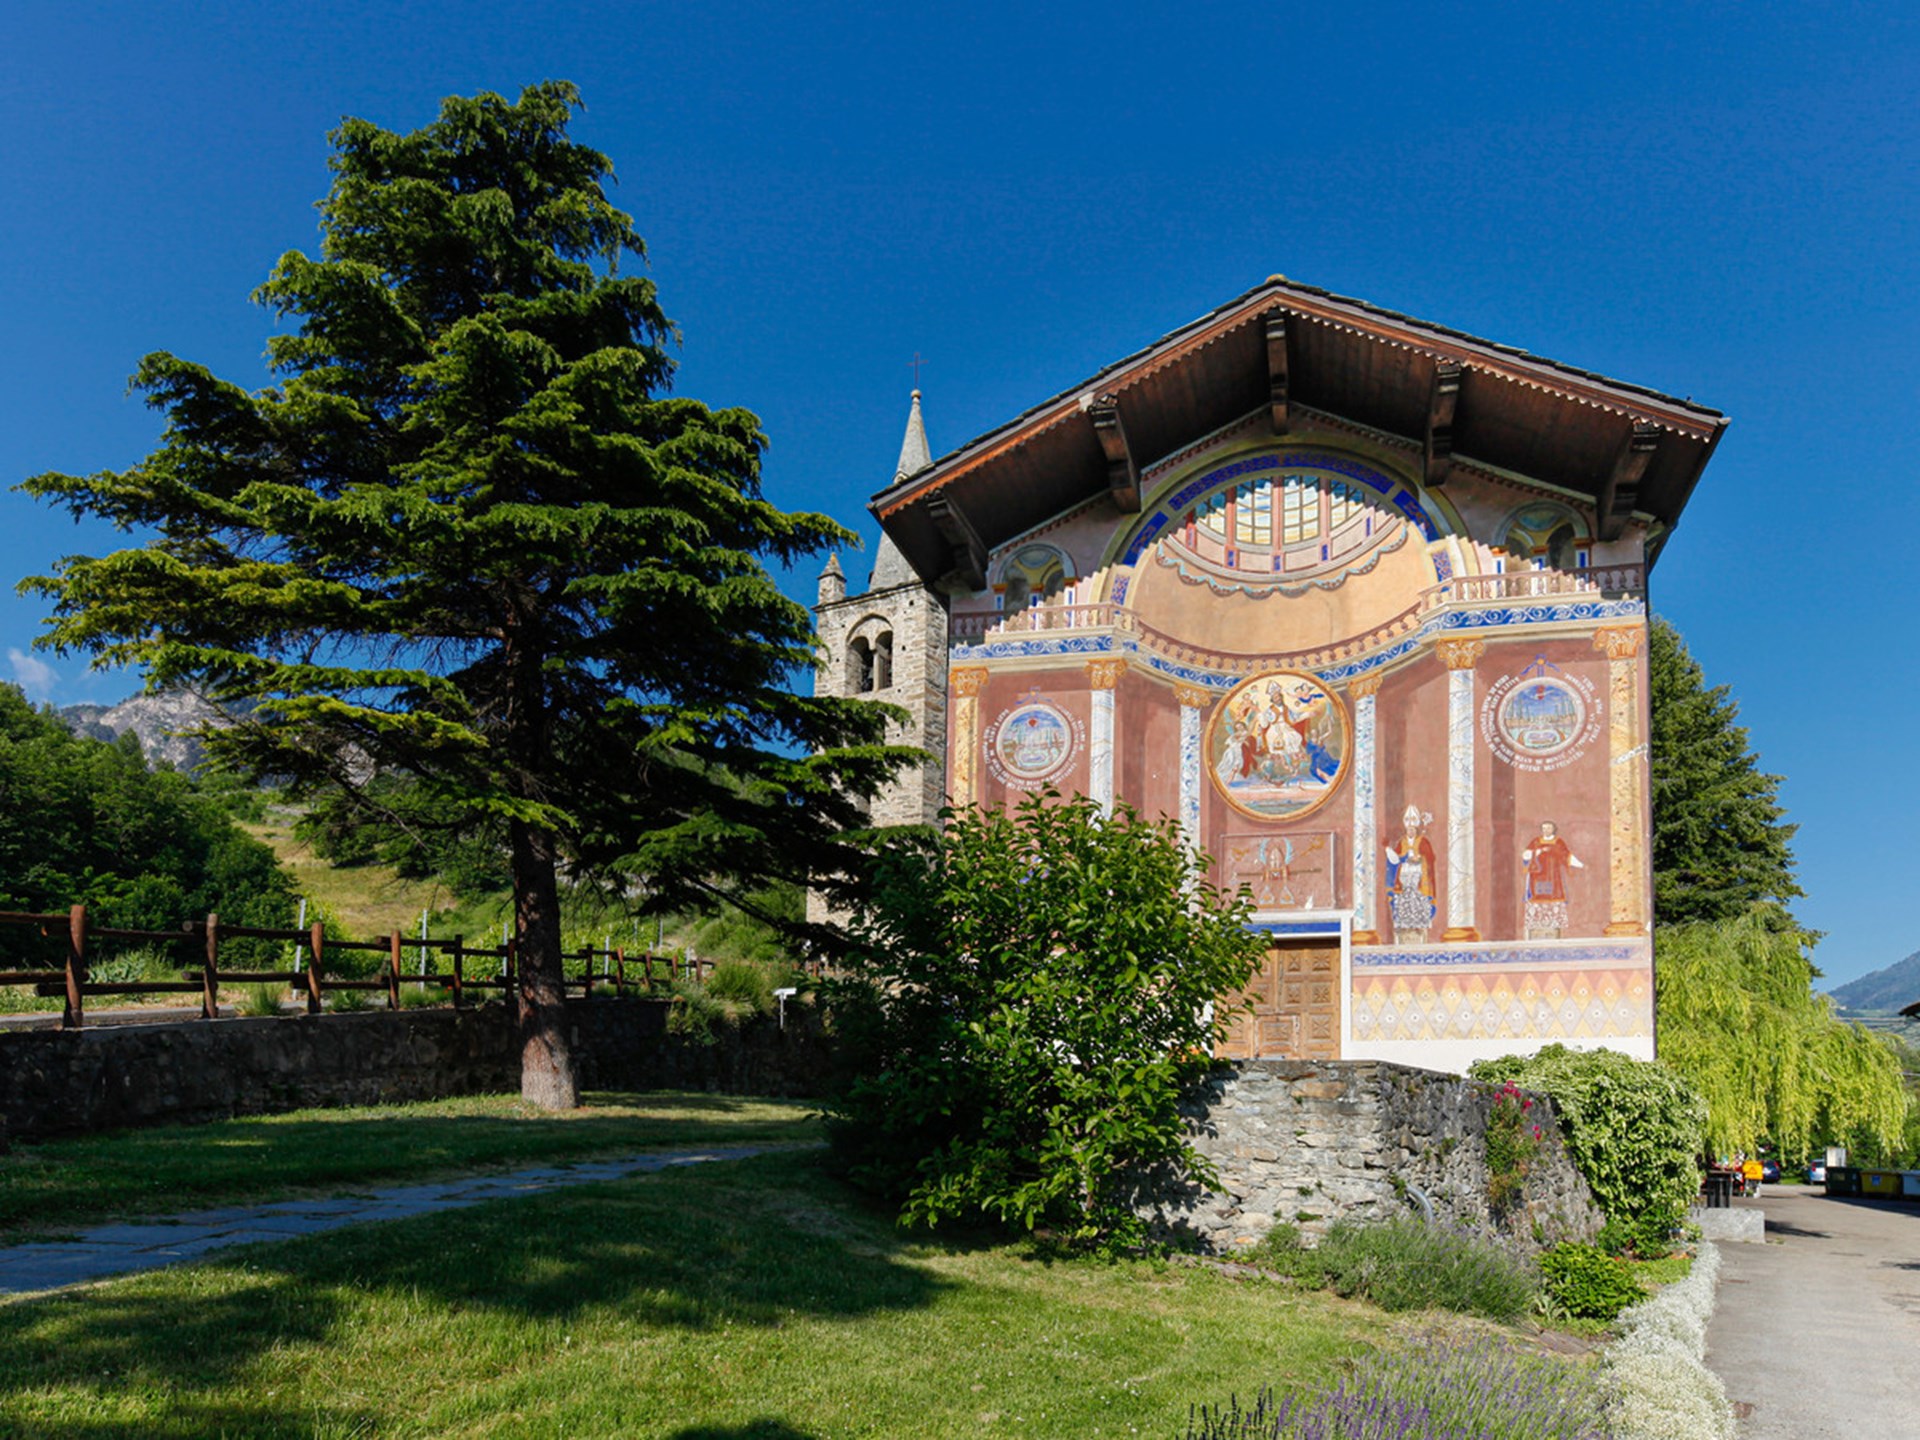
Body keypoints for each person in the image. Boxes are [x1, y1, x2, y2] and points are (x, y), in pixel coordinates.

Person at [1521, 821, 1584, 939]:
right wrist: (1538, 851)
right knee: (1537, 899)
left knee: (1553, 897)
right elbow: (1525, 855)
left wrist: (1579, 864)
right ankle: (1536, 929)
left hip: (1553, 876)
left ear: (1553, 829)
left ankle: (1552, 930)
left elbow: (1566, 855)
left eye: (1549, 828)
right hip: (1537, 877)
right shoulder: (1536, 842)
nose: (1546, 830)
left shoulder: (1558, 842)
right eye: (1544, 828)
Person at [1385, 804, 1437, 942]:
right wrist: (1393, 854)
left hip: (1419, 879)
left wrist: (1420, 858)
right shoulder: (1402, 842)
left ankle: (1419, 929)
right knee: (1404, 904)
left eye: (1413, 829)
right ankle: (1403, 931)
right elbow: (1395, 859)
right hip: (1404, 880)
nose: (1411, 831)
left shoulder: (1423, 841)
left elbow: (1430, 858)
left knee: (1418, 905)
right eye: (1409, 829)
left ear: (1416, 829)